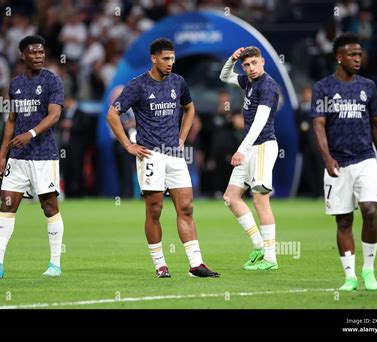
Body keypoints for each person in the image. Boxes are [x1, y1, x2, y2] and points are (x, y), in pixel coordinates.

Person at [106, 38, 219, 278]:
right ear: (154, 58)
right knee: (155, 210)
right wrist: (128, 145)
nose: (170, 64)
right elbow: (112, 115)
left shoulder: (178, 82)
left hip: (175, 155)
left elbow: (189, 108)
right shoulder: (137, 85)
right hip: (150, 155)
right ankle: (160, 264)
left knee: (186, 207)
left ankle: (196, 264)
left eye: (172, 59)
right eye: (166, 59)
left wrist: (182, 136)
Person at [0, 35, 65, 278]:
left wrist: (31, 134)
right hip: (18, 158)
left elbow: (54, 115)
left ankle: (54, 264)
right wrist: (3, 155)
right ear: (22, 55)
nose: (39, 56)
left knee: (48, 206)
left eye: (41, 52)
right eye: (33, 52)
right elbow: (11, 121)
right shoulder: (15, 84)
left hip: (44, 155)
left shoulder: (53, 81)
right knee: (7, 204)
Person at [311, 33, 377, 291]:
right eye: (352, 55)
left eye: (360, 54)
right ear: (339, 57)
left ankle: (368, 269)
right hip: (337, 164)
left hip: (366, 159)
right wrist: (327, 158)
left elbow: (376, 124)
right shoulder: (323, 87)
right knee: (343, 221)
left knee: (370, 211)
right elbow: (319, 126)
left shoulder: (368, 86)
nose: (358, 59)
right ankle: (350, 276)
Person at [220, 46, 279, 271]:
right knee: (231, 197)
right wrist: (231, 58)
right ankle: (258, 246)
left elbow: (260, 123)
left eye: (254, 63)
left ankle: (271, 259)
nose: (251, 68)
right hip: (250, 147)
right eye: (246, 65)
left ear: (262, 62)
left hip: (262, 146)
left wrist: (241, 150)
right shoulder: (249, 82)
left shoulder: (268, 87)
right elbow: (224, 76)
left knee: (260, 200)